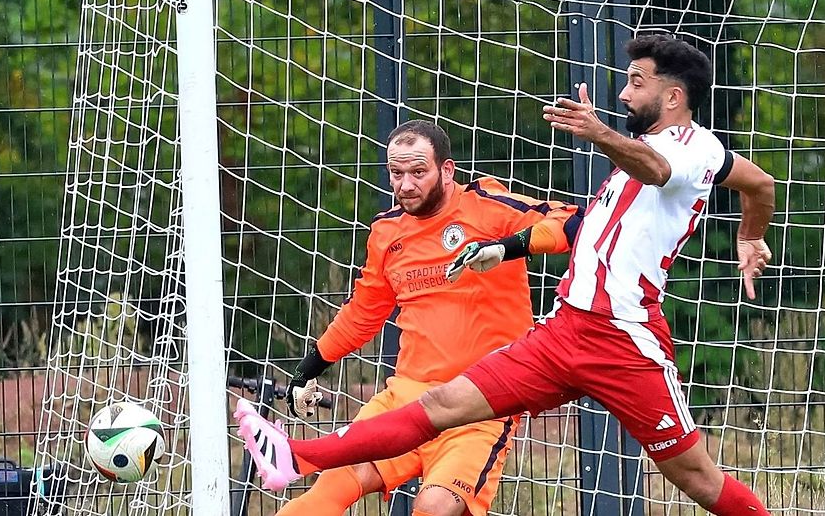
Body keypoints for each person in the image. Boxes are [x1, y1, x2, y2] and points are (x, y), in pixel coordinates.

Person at [236, 34, 776, 515]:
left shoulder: (687, 148)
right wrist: (750, 235)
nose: (624, 94)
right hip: (564, 329)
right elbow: (760, 185)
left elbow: (655, 171)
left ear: (673, 96)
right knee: (441, 403)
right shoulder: (389, 232)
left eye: (637, 82)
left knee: (696, 479)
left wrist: (597, 133)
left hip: (624, 340)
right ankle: (294, 456)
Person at [254, 119, 583, 516]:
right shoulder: (387, 231)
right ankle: (296, 459)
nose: (405, 184)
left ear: (447, 170)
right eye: (396, 173)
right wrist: (307, 370)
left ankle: (298, 455)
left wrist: (506, 248)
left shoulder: (487, 206)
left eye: (417, 172)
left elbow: (571, 221)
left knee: (434, 507)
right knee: (331, 488)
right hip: (405, 398)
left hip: (478, 403)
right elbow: (363, 311)